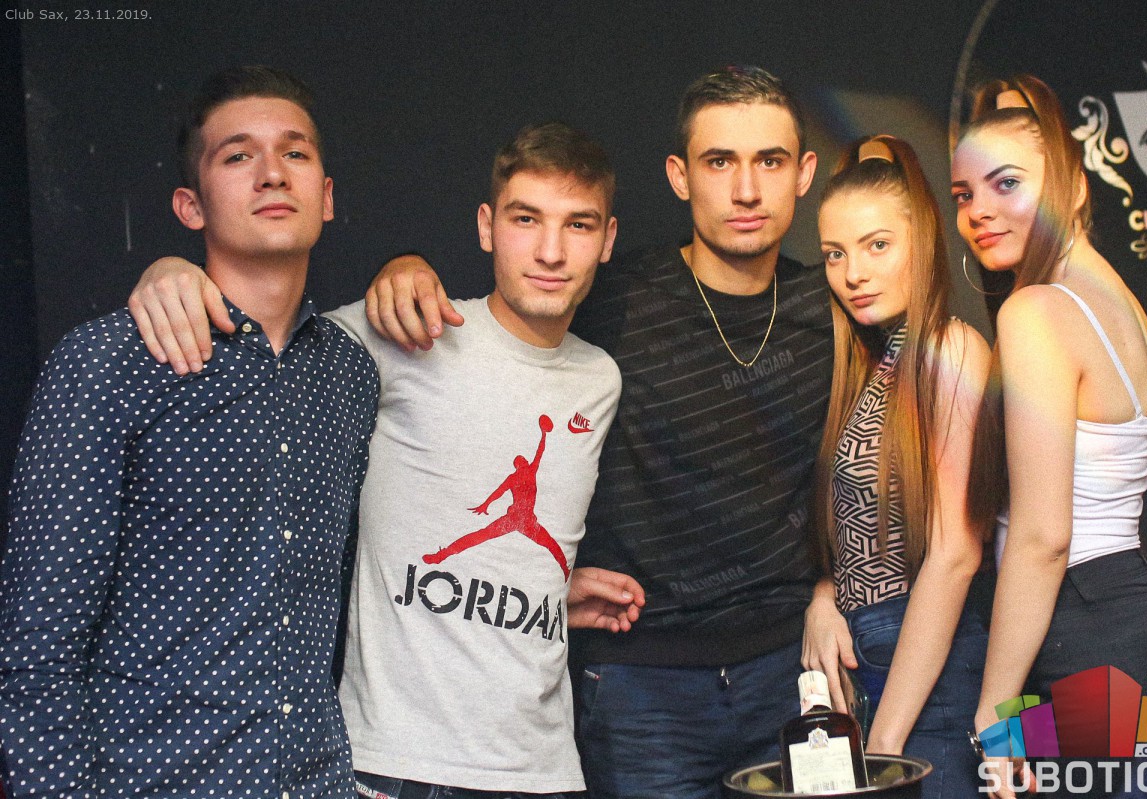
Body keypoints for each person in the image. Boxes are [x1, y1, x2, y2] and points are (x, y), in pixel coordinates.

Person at [335, 65, 829, 799]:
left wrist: (829, 586)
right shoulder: (594, 302)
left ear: (805, 173)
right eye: (720, 161)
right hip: (625, 691)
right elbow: (493, 319)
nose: (747, 189)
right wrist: (398, 268)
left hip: (771, 679)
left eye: (771, 161)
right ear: (680, 175)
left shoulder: (827, 312)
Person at [126, 122, 646, 798]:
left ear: (607, 240)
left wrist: (548, 587)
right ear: (486, 227)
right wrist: (169, 272)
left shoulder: (600, 380)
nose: (551, 251)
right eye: (526, 219)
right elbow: (266, 335)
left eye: (578, 225)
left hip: (543, 765)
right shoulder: (406, 331)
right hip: (403, 763)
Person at [0, 66, 381, 798]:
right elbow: (37, 650)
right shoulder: (110, 362)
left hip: (315, 780)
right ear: (191, 205)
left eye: (295, 152)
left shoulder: (349, 375)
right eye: (238, 156)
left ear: (327, 196)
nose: (273, 173)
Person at [952, 74, 1147, 798]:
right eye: (964, 195)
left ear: (1073, 187)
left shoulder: (1036, 312)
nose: (980, 211)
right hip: (1130, 618)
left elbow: (1044, 536)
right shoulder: (1126, 308)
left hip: (1083, 631)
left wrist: (994, 711)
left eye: (1007, 183)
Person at [801, 135, 990, 798]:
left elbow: (955, 554)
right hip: (869, 669)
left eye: (877, 245)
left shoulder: (949, 351)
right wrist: (824, 597)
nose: (853, 272)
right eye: (835, 253)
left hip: (929, 679)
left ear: (922, 242)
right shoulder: (870, 362)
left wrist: (884, 743)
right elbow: (855, 525)